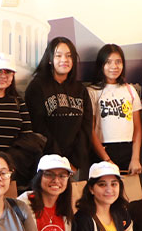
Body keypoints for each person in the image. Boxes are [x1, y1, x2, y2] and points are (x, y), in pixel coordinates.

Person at [26, 37, 95, 177]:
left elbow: (86, 127)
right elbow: (38, 127)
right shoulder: (37, 87)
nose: (64, 59)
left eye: (69, 56)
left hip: (75, 165)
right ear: (50, 59)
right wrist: (58, 160)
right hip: (47, 162)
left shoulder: (81, 89)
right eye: (59, 55)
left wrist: (74, 162)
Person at [87, 43, 142, 174]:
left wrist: (135, 158)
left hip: (128, 151)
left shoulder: (130, 90)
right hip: (102, 151)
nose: (114, 66)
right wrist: (107, 160)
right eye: (108, 62)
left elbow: (138, 128)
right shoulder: (92, 92)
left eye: (118, 62)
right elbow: (90, 129)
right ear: (101, 65)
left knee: (129, 193)